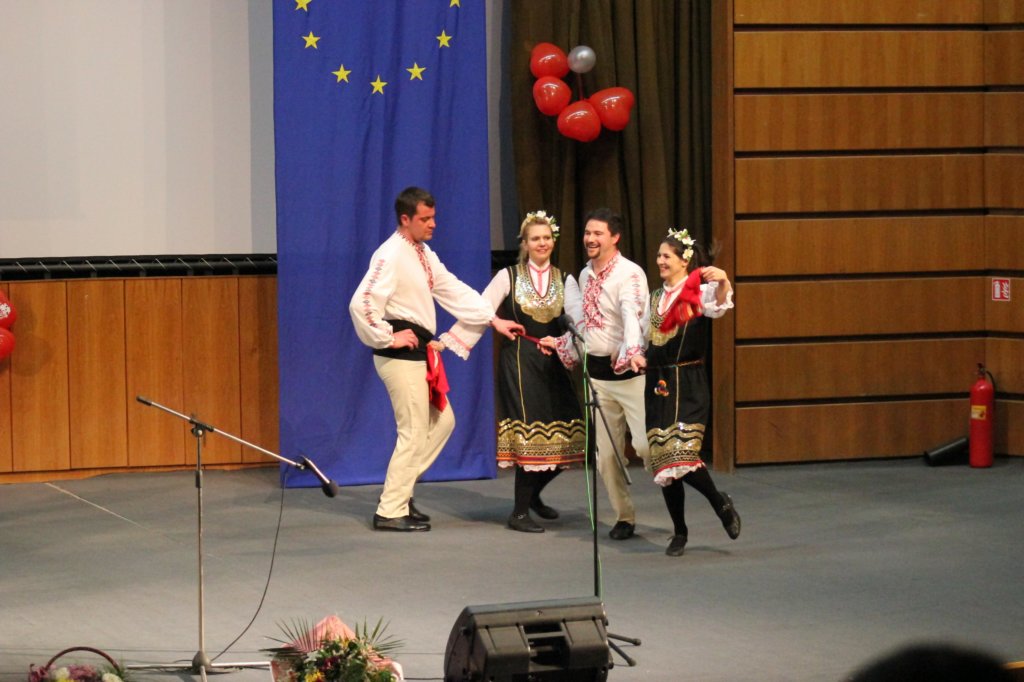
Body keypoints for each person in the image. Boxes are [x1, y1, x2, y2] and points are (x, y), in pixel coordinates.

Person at [348, 186, 524, 532]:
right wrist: (388, 336)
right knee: (413, 431)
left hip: (417, 354)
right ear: (405, 219)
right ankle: (390, 510)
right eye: (425, 219)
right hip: (399, 356)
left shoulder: (423, 253)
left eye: (433, 217)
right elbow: (361, 302)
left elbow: (452, 288)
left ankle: (400, 494)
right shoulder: (391, 254)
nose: (432, 224)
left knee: (443, 422)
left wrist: (493, 319)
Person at [438, 211, 586, 533]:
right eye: (535, 238)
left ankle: (533, 496)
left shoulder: (566, 280)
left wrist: (563, 342)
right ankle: (519, 512)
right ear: (525, 243)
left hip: (554, 362)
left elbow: (577, 320)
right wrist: (449, 341)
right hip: (519, 361)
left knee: (571, 437)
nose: (542, 243)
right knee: (529, 433)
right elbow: (481, 307)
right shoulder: (509, 276)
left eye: (546, 238)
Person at [644, 227, 740, 556]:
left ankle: (719, 504)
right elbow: (644, 336)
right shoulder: (654, 298)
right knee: (665, 462)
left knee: (682, 453)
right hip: (658, 383)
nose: (660, 261)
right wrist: (633, 355)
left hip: (689, 382)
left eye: (666, 256)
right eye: (659, 256)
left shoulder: (698, 292)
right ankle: (680, 531)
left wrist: (723, 280)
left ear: (684, 261)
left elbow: (720, 307)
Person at [564, 208, 650, 540]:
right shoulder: (585, 275)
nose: (590, 238)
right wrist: (565, 344)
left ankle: (681, 490)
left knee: (645, 447)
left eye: (598, 233)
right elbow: (586, 324)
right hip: (598, 378)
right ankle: (624, 516)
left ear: (615, 237)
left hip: (629, 376)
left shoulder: (629, 273)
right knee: (607, 457)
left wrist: (629, 347)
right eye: (588, 233)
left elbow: (634, 316)